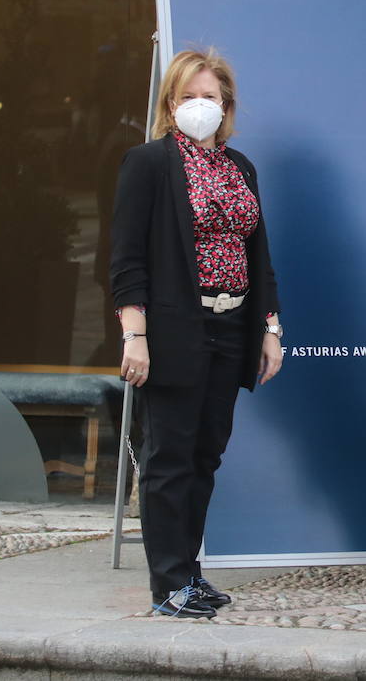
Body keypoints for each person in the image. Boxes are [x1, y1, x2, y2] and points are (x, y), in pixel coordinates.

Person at [110, 48, 283, 617]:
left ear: (226, 105)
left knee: (206, 454)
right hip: (174, 329)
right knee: (168, 458)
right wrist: (135, 335)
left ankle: (190, 571)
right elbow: (127, 259)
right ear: (170, 103)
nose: (200, 106)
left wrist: (269, 326)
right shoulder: (149, 163)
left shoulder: (242, 167)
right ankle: (168, 585)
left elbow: (257, 255)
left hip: (233, 325)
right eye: (189, 95)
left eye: (210, 96)